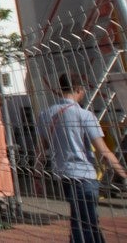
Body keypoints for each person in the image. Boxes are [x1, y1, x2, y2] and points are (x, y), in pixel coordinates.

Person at [38, 74, 127, 243]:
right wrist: (122, 173)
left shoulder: (45, 115)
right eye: (84, 90)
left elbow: (41, 150)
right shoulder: (85, 115)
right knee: (86, 221)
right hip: (84, 174)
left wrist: (36, 173)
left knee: (81, 217)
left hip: (63, 173)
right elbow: (104, 151)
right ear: (78, 89)